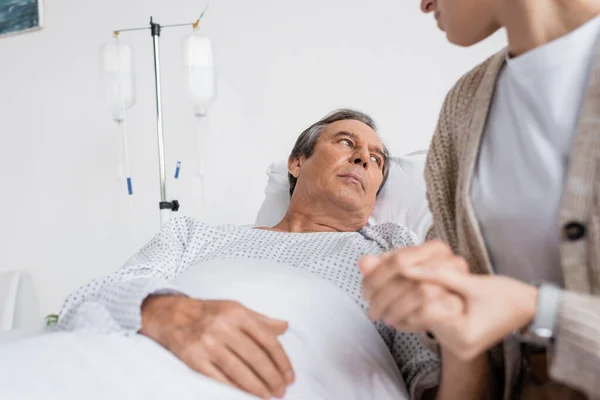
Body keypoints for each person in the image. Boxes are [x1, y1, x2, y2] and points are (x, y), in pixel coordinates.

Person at [52, 109, 477, 400]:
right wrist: (166, 312)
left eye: (377, 160)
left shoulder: (389, 246)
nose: (364, 158)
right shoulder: (192, 234)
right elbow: (86, 300)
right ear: (296, 162)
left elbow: (425, 372)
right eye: (346, 142)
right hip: (135, 370)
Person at [361, 0, 600, 398]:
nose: (423, 5)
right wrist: (449, 311)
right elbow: (474, 362)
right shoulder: (464, 106)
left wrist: (538, 310)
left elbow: (522, 308)